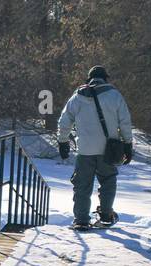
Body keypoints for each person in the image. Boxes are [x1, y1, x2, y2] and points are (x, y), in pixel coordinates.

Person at [57, 65, 134, 229]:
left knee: (82, 185)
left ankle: (82, 220)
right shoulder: (114, 95)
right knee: (108, 180)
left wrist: (63, 141)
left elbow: (64, 121)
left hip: (84, 149)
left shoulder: (77, 97)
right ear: (106, 78)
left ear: (89, 79)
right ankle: (106, 215)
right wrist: (128, 144)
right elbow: (125, 122)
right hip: (109, 149)